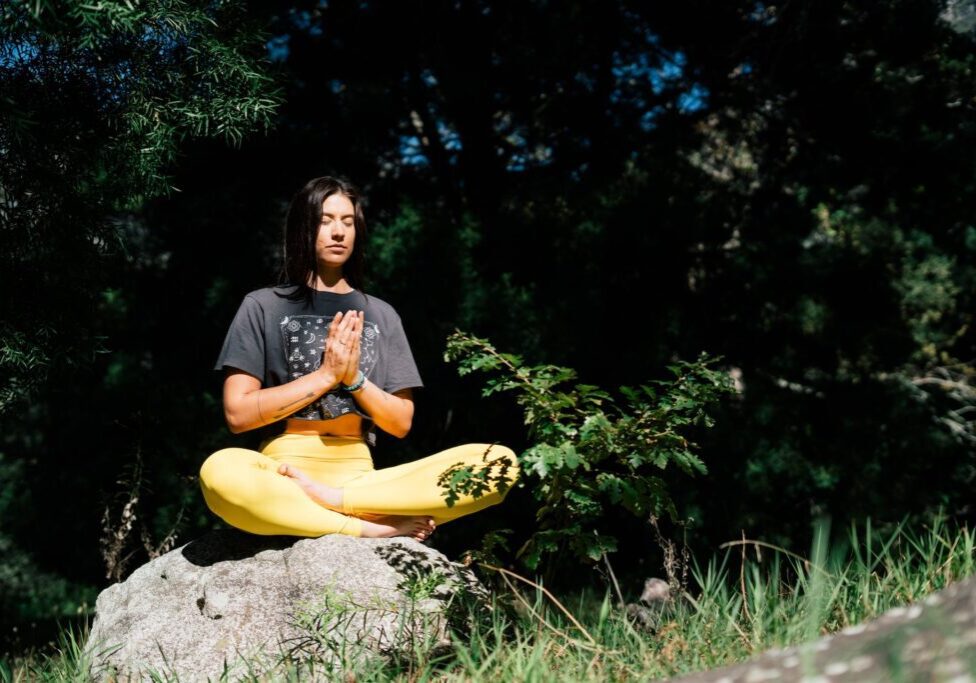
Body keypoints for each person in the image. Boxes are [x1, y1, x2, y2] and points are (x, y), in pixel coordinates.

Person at [198, 176, 521, 542]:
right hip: (284, 473)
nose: (339, 232)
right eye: (326, 220)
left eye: (348, 222)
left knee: (498, 465)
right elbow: (237, 415)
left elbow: (400, 422)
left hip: (362, 477)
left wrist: (353, 379)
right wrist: (325, 375)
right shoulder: (263, 305)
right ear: (303, 227)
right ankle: (362, 527)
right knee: (220, 472)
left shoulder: (381, 314)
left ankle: (336, 503)